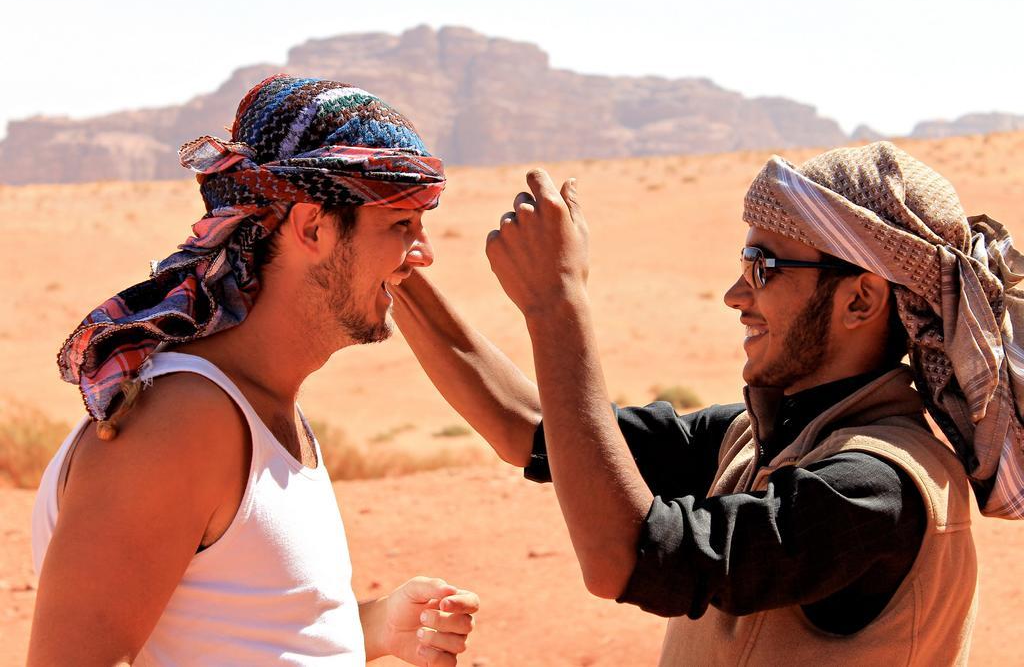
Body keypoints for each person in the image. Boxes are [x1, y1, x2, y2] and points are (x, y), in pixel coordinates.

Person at [392, 142, 1024, 665]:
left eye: (763, 266)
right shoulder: (755, 437)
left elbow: (626, 558)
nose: (734, 294)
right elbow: (531, 429)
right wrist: (392, 265)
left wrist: (557, 304)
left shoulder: (874, 489)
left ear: (860, 300)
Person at [30, 75, 478, 667]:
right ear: (313, 226)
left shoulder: (260, 410)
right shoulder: (184, 424)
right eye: (401, 225)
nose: (421, 255)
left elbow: (234, 634)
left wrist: (365, 627)